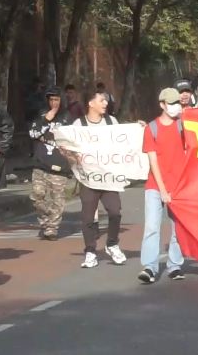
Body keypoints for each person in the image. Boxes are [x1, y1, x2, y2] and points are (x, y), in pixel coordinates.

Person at [72, 90, 126, 269]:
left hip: (109, 177)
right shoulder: (79, 125)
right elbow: (67, 146)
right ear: (90, 103)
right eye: (101, 100)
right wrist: (73, 156)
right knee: (88, 217)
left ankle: (112, 244)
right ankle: (90, 251)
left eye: (106, 101)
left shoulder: (112, 122)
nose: (105, 104)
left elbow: (125, 140)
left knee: (115, 211)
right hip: (88, 178)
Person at [138, 88, 187, 284]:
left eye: (178, 103)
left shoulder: (183, 126)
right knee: (151, 226)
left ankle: (174, 265)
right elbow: (153, 162)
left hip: (179, 186)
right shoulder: (151, 128)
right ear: (162, 105)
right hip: (156, 186)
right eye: (171, 103)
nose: (176, 106)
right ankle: (150, 266)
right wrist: (163, 190)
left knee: (177, 228)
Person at [28, 87, 72, 240]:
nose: (54, 103)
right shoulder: (41, 115)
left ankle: (51, 229)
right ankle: (46, 221)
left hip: (59, 165)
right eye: (51, 100)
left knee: (57, 199)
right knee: (37, 196)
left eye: (57, 100)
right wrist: (46, 119)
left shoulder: (67, 117)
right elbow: (33, 134)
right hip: (40, 163)